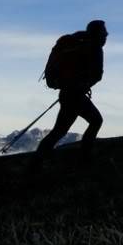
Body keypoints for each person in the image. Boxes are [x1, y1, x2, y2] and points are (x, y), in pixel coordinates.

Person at [31, 20, 107, 167]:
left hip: (67, 93)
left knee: (59, 131)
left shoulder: (77, 42)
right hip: (75, 94)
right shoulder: (95, 47)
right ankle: (85, 158)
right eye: (104, 32)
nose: (106, 34)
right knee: (96, 121)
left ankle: (35, 163)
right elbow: (98, 75)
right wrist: (84, 84)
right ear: (98, 33)